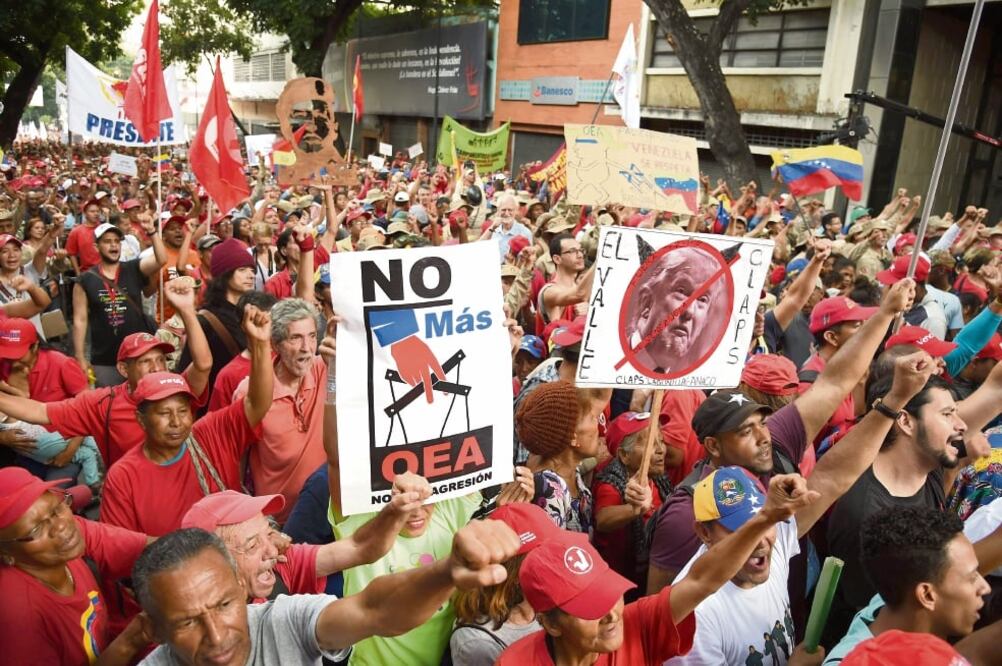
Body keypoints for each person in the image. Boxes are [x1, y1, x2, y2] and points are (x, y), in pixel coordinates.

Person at [667, 348, 936, 665]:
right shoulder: (694, 620)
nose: (760, 540)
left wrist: (895, 399)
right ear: (704, 533)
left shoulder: (772, 536)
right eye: (739, 528)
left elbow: (835, 476)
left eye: (762, 522)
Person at [648, 279, 915, 591]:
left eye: (762, 422)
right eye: (746, 430)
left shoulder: (773, 442)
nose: (763, 436)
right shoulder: (688, 511)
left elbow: (834, 383)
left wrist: (884, 316)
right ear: (713, 446)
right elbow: (660, 605)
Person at [496, 473, 821, 666]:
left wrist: (765, 518)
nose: (611, 614)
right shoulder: (515, 663)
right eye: (588, 608)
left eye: (607, 593)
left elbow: (702, 580)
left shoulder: (636, 626)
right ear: (550, 623)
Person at [125, 519, 522, 666]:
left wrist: (444, 574)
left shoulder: (284, 621)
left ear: (241, 588)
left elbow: (375, 609)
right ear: (155, 630)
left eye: (225, 604)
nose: (216, 635)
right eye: (188, 622)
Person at [98, 304, 273, 535]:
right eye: (163, 413)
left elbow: (257, 404)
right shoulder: (123, 477)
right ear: (141, 419)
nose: (176, 421)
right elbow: (120, 548)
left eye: (183, 411)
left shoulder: (212, 433)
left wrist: (260, 345)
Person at [0, 280, 213, 466]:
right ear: (123, 369)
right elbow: (39, 412)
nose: (157, 368)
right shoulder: (103, 404)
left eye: (160, 360)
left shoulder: (176, 389)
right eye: (145, 362)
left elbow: (203, 365)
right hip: (130, 498)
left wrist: (186, 311)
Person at [0, 467, 150, 665]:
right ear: (6, 554)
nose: (60, 526)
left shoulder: (69, 538)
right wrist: (130, 642)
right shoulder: (19, 618)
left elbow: (145, 549)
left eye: (57, 508)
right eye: (36, 529)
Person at [179, 485, 428, 602]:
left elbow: (360, 548)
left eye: (269, 534)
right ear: (210, 562)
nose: (271, 550)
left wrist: (395, 510)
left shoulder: (283, 566)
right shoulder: (191, 633)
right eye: (253, 545)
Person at [824, 506, 1000, 664]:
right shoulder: (854, 661)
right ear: (927, 595)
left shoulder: (900, 592)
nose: (985, 588)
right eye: (972, 578)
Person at [232, 298, 325, 518]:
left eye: (312, 336)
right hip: (278, 522)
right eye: (296, 338)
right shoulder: (250, 393)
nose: (307, 348)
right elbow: (236, 461)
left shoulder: (325, 370)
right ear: (275, 344)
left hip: (327, 515)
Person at [449, 503, 555, 666]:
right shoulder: (477, 643)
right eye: (547, 555)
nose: (558, 560)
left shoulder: (550, 602)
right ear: (515, 573)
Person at [73, 221, 166, 386]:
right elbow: (80, 320)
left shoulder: (133, 268)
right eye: (107, 241)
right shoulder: (85, 280)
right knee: (111, 405)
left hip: (139, 355)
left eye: (117, 241)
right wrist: (80, 357)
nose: (113, 245)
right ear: (96, 247)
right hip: (106, 359)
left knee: (143, 401)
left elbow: (161, 259)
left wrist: (151, 231)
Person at [593, 410, 671, 594]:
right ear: (624, 455)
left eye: (661, 440)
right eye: (652, 443)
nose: (661, 450)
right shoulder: (611, 484)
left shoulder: (658, 479)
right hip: (622, 587)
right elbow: (603, 520)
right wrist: (633, 509)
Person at [515, 381, 603, 533]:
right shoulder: (548, 488)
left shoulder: (571, 471)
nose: (598, 424)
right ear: (572, 438)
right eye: (591, 417)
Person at [626, 244, 728, 374]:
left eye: (702, 299)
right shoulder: (606, 359)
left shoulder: (689, 385)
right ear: (646, 301)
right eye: (681, 291)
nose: (690, 311)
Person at [178, 237, 257, 397]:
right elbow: (187, 376)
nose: (251, 276)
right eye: (242, 270)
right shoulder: (205, 321)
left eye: (252, 270)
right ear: (224, 274)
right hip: (216, 406)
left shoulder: (255, 313)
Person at [798, 295, 878, 448]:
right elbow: (807, 453)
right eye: (857, 325)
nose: (866, 331)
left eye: (864, 323)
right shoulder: (810, 386)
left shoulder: (848, 370)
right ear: (832, 337)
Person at [536, 233, 594, 344]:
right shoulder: (549, 291)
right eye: (572, 251)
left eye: (580, 250)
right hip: (557, 359)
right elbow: (579, 294)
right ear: (557, 259)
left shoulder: (579, 288)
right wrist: (602, 259)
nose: (580, 255)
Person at [480, 193, 532, 262]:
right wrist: (493, 227)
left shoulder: (525, 232)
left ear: (516, 211)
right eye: (503, 210)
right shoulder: (492, 230)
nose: (507, 213)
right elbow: (478, 248)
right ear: (498, 210)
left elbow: (529, 258)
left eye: (510, 210)